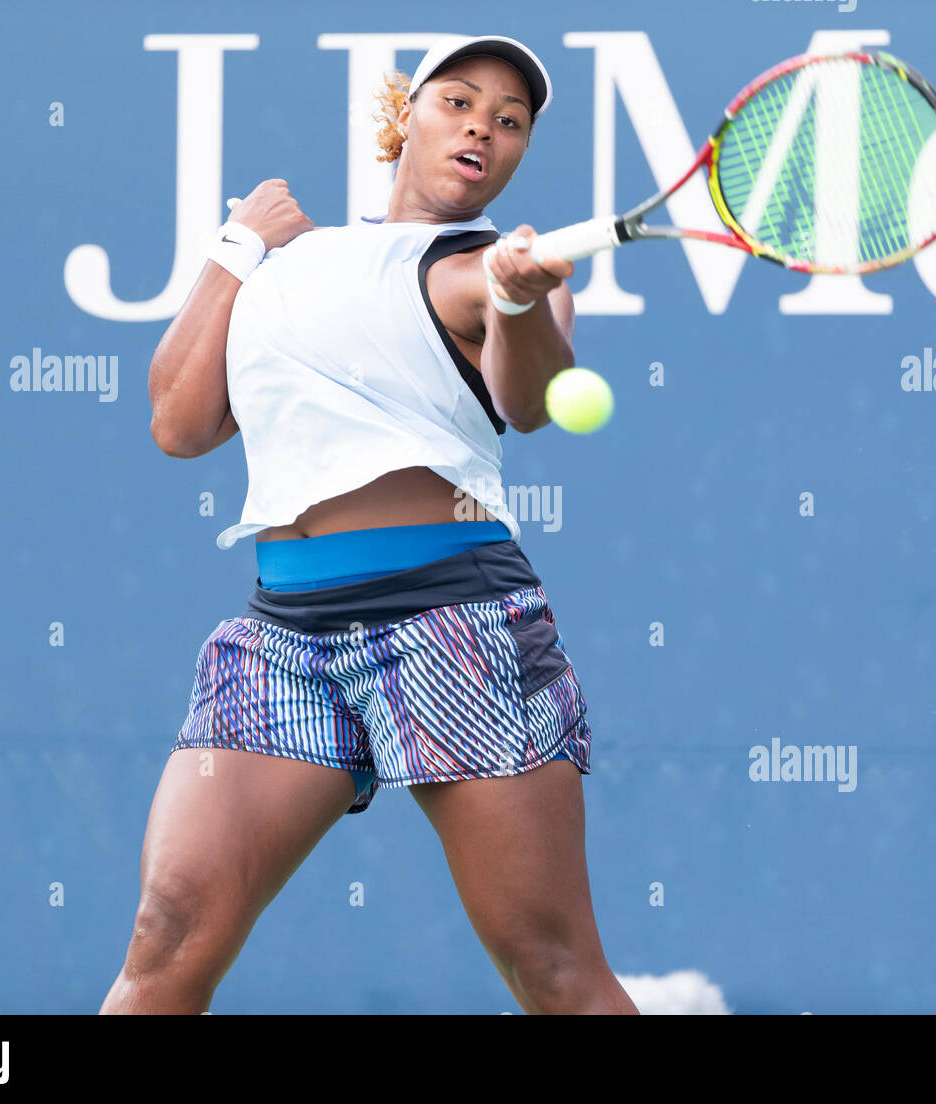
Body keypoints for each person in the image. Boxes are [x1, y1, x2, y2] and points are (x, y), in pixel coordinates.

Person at [100, 34, 637, 1015]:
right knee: (167, 932)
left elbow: (528, 400)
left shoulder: (509, 268)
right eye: (460, 102)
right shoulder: (288, 265)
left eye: (510, 122)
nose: (483, 126)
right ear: (406, 119)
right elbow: (178, 425)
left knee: (551, 968)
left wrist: (517, 299)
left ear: (515, 158)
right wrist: (237, 249)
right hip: (282, 635)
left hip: (454, 630)